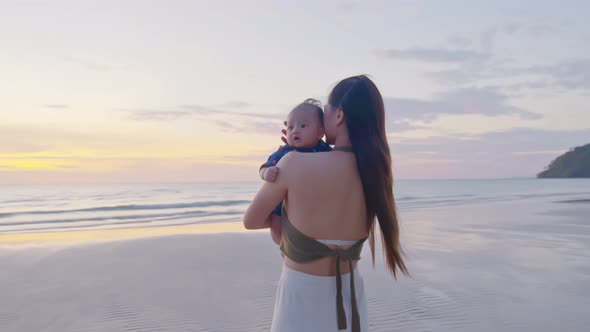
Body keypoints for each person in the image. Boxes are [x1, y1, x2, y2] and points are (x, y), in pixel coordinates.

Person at [243, 75, 408, 332]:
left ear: (339, 115)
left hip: (301, 295)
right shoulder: (375, 172)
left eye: (326, 111)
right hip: (350, 295)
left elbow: (251, 220)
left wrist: (290, 161)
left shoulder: (294, 164)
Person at [259, 98, 331, 245]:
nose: (295, 130)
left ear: (320, 133)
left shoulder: (323, 150)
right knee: (277, 226)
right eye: (290, 127)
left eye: (303, 126)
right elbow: (263, 167)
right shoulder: (285, 153)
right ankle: (283, 246)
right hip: (284, 200)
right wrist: (267, 173)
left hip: (310, 200)